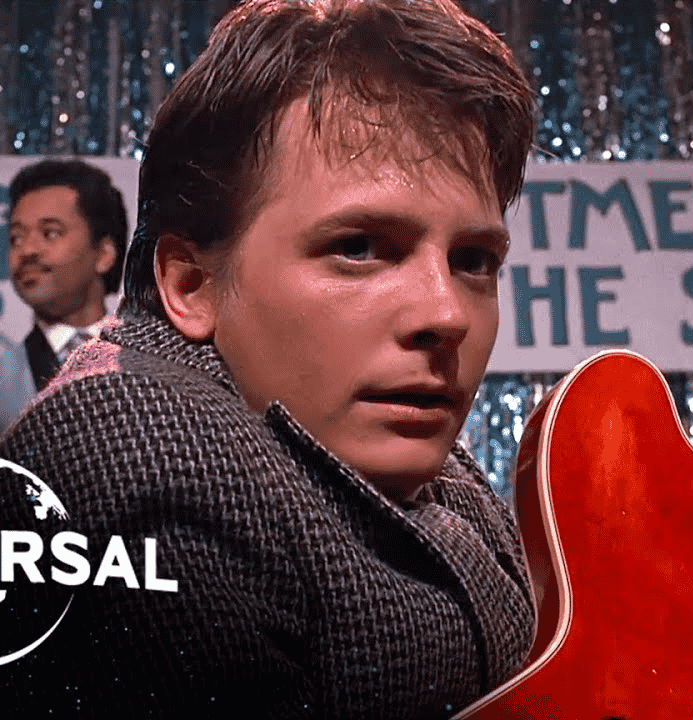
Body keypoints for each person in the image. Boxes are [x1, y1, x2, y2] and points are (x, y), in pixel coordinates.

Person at [0, 0, 537, 716]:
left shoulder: (401, 456)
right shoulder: (132, 451)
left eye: (473, 260)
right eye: (358, 248)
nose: (446, 314)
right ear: (191, 284)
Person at [5, 158, 128, 394]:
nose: (27, 250)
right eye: (16, 238)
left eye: (50, 233)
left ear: (104, 254)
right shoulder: (5, 378)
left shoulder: (154, 364)